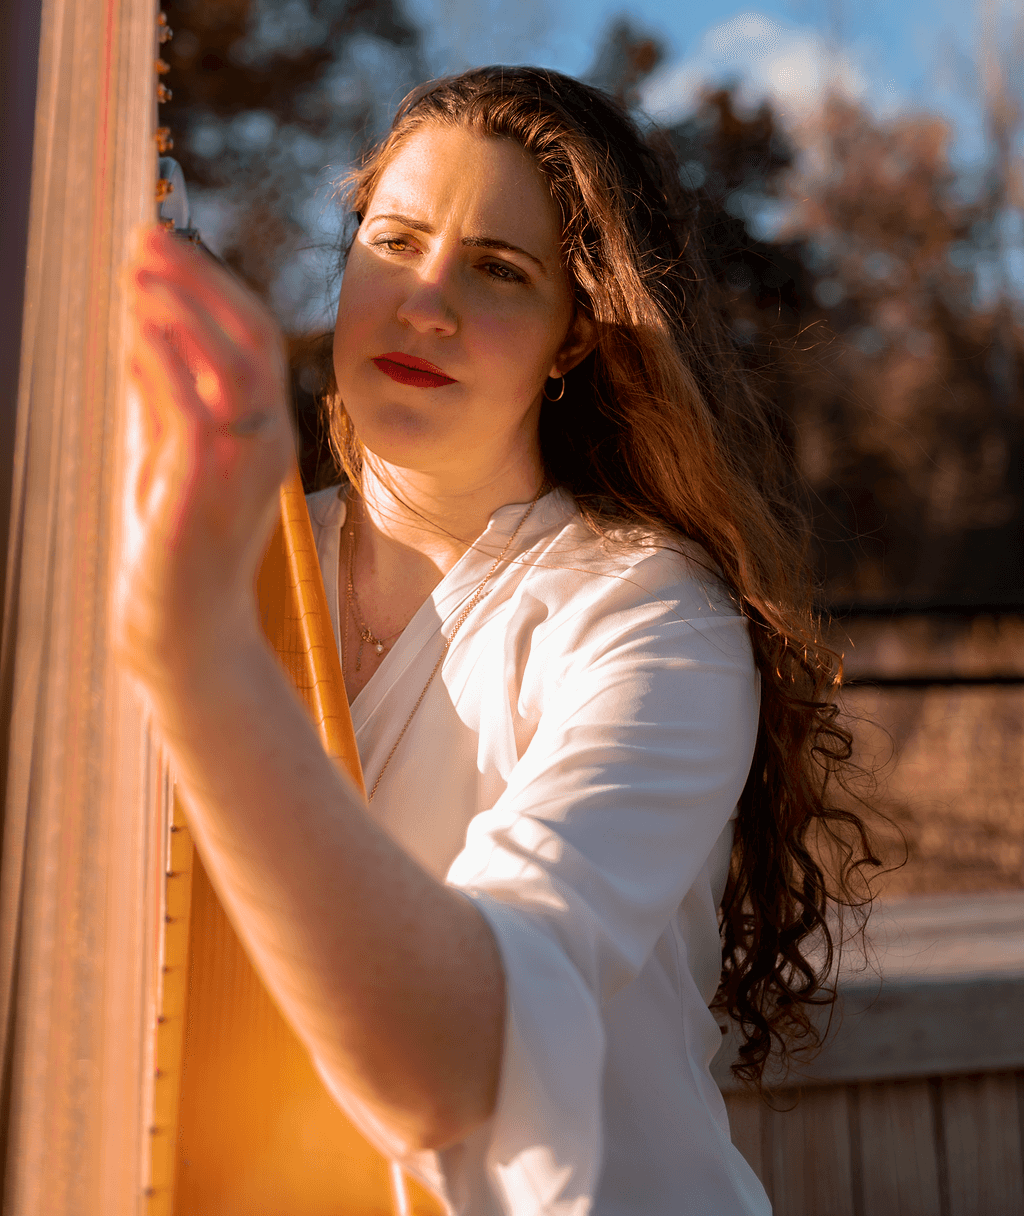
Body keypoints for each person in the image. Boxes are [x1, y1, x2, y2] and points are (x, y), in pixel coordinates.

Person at [119, 67, 876, 1215]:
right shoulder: (218, 553)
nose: (426, 300)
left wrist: (200, 666)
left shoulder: (648, 619)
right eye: (395, 241)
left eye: (497, 270)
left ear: (573, 338)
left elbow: (457, 1067)